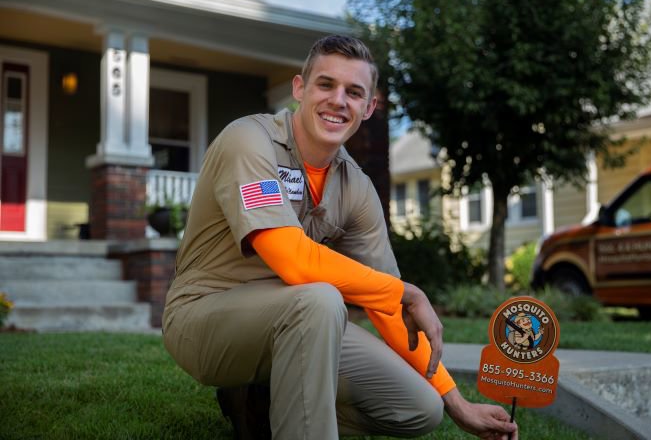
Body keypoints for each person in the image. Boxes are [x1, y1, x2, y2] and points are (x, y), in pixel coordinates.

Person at [162, 35, 518, 440]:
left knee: (419, 408)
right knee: (321, 299)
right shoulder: (249, 140)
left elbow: (388, 308)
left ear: (369, 108)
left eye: (354, 92)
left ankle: (261, 407)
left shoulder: (356, 188)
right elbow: (293, 261)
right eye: (325, 85)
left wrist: (456, 402)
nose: (338, 101)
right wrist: (406, 292)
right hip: (204, 316)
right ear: (299, 88)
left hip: (302, 321)